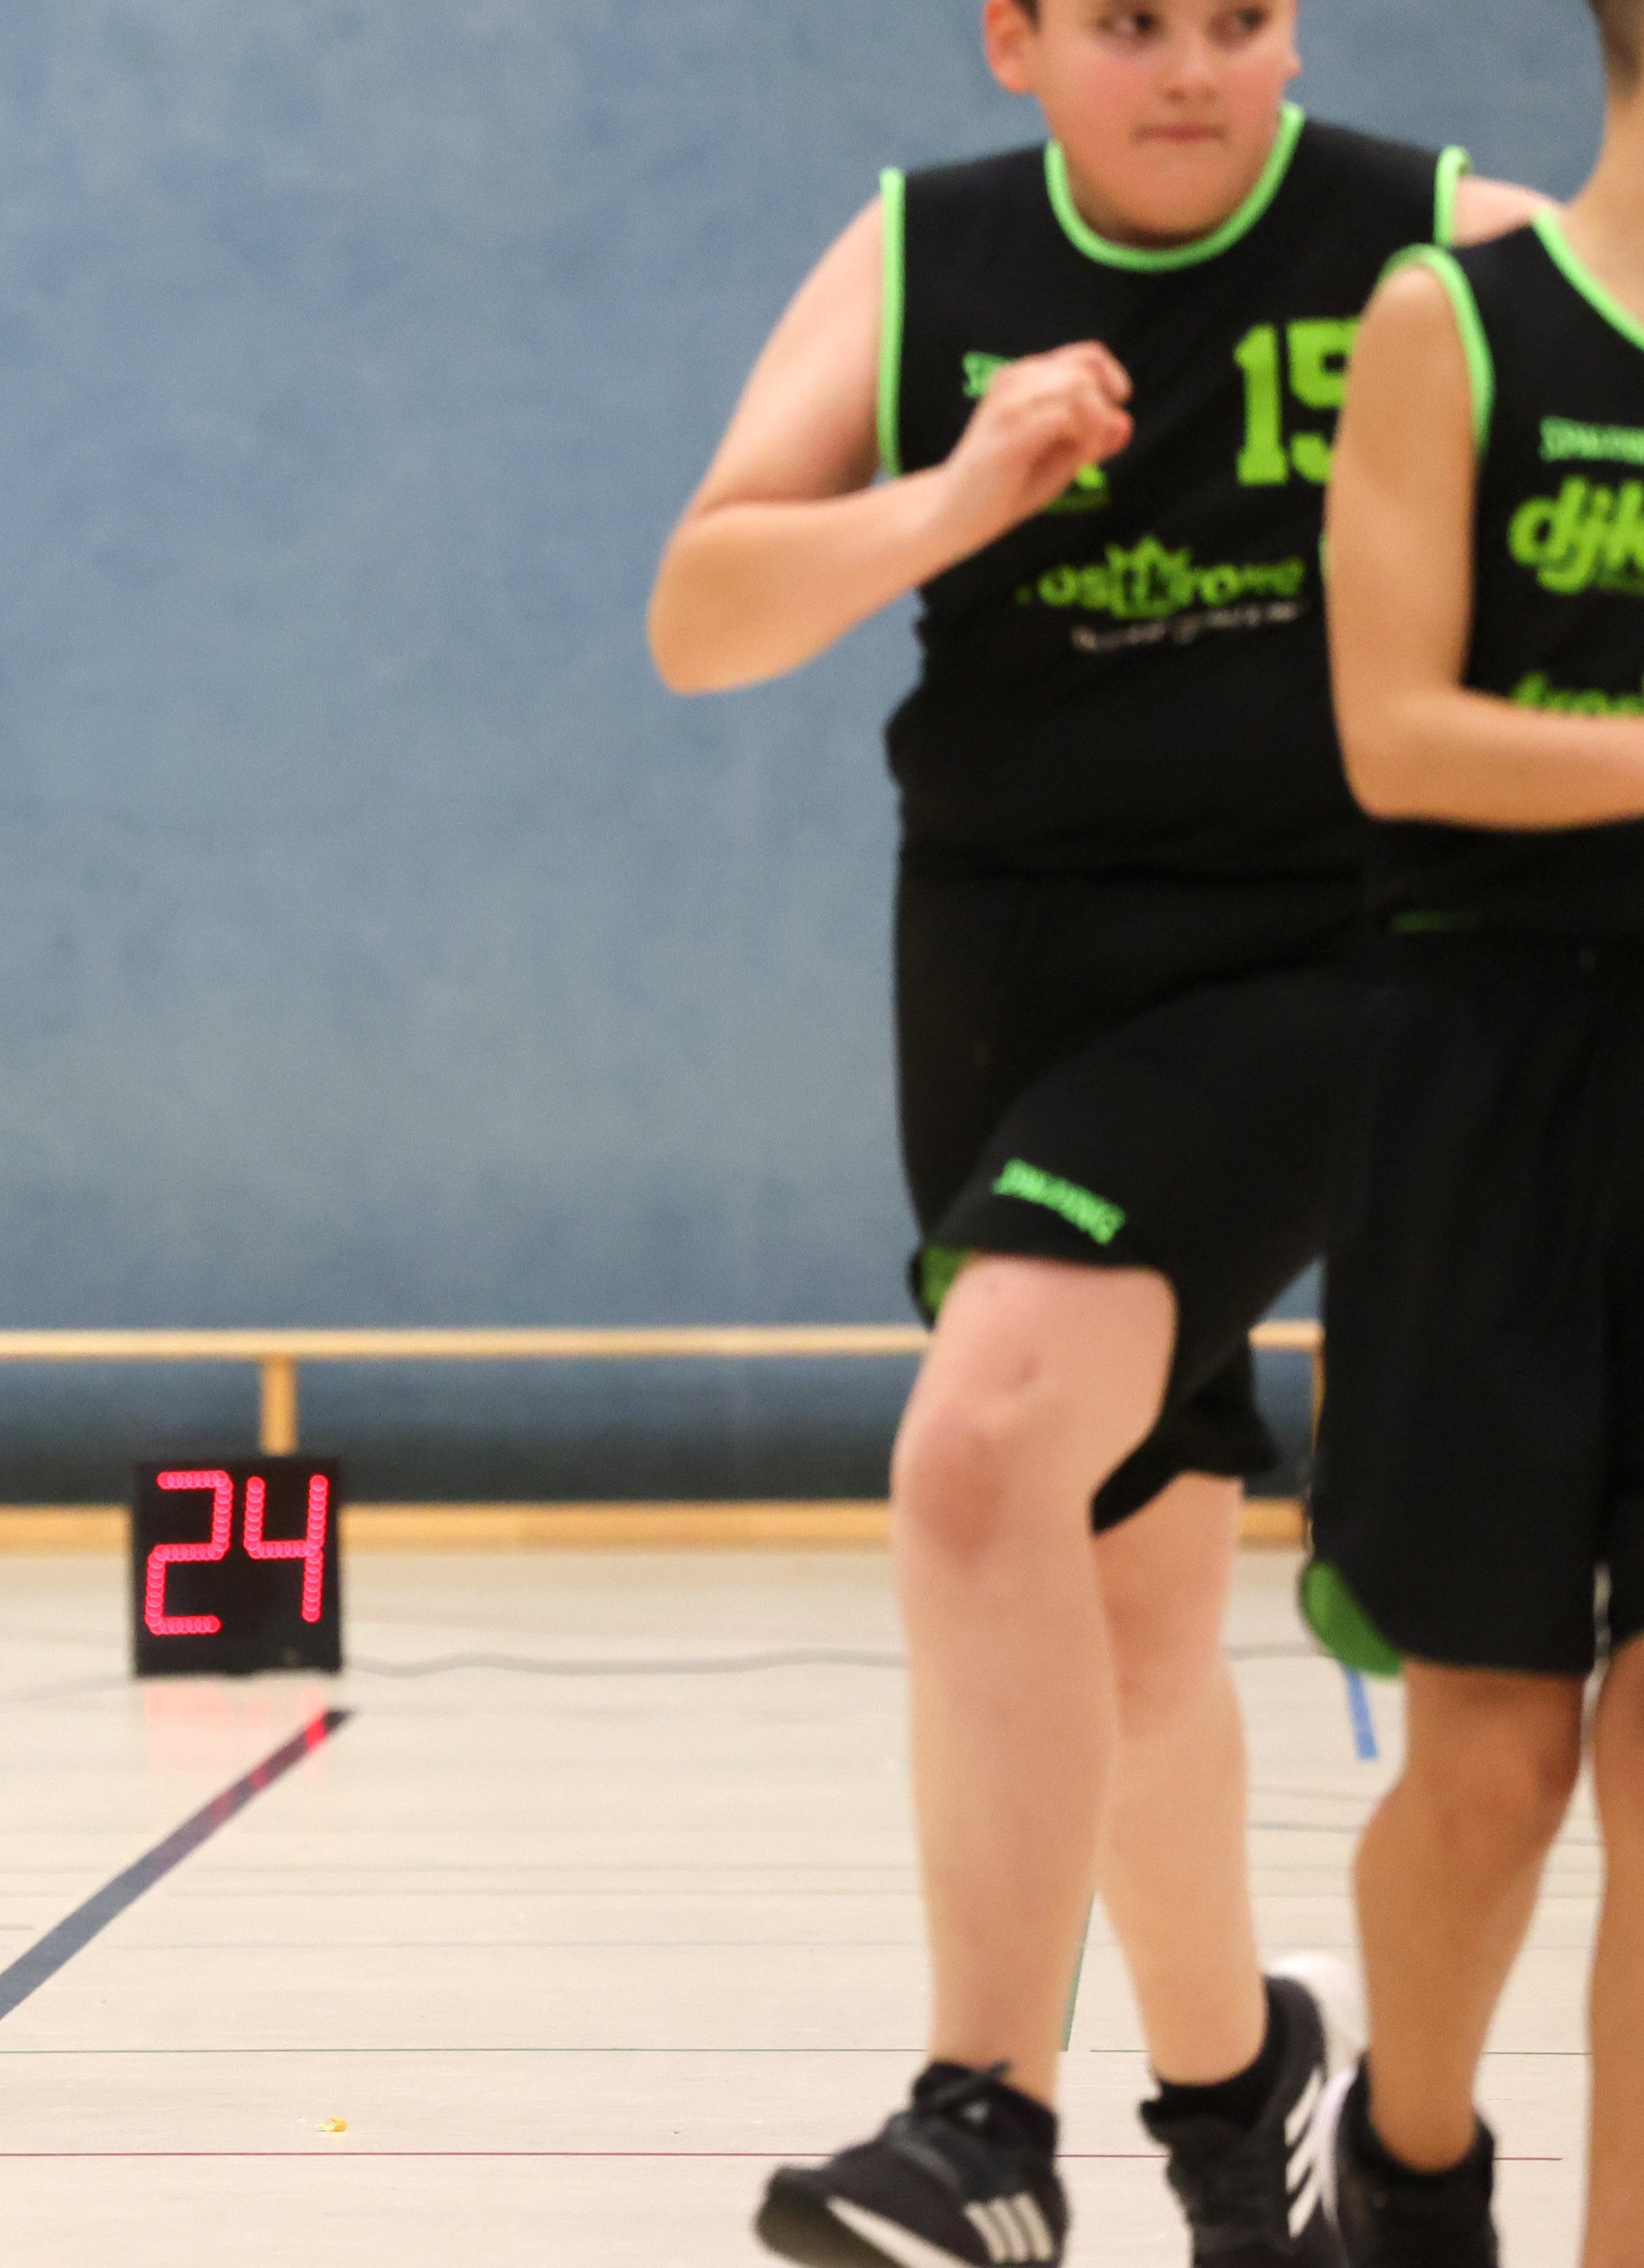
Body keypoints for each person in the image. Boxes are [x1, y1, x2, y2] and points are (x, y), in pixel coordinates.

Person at [645, 5, 1540, 2261]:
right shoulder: (921, 256)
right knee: (1125, 1608)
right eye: (1131, 21)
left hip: (1332, 950)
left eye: (1242, 18)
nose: (1194, 69)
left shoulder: (1438, 237)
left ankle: (984, 2119)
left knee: (977, 1454)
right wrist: (955, 497)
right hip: (1013, 962)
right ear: (1016, 41)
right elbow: (701, 616)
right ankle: (1243, 2108)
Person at [1311, 6, 1644, 2260]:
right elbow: (1397, 731)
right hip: (1496, 1078)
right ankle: (1407, 2164)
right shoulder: (1461, 320)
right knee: (1498, 1764)